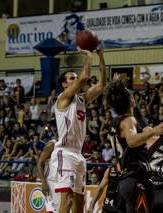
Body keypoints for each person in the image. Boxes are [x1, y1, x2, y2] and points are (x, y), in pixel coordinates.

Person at [103, 78, 163, 212]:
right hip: (135, 179)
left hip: (125, 179)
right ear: (130, 100)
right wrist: (155, 130)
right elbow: (132, 141)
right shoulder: (128, 120)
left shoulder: (116, 121)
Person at [49, 45, 106, 213]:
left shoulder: (81, 99)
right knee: (66, 202)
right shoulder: (63, 98)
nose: (76, 79)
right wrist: (89, 56)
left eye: (75, 77)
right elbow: (84, 78)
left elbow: (102, 85)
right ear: (64, 84)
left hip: (78, 155)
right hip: (64, 153)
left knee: (79, 204)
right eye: (71, 78)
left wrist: (100, 56)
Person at [37, 139, 60, 213]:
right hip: (51, 183)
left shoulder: (67, 146)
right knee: (53, 210)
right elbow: (40, 163)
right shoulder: (51, 145)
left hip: (62, 182)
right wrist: (43, 182)